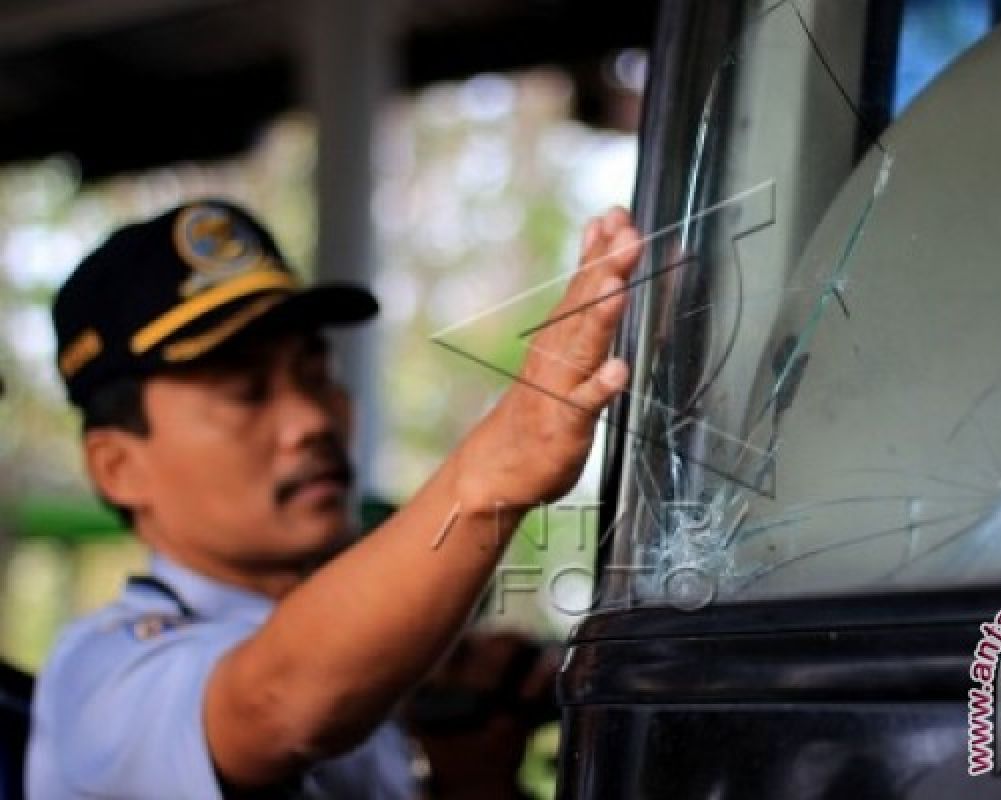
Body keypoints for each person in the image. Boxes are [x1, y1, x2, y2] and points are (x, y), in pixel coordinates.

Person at [25, 198, 641, 798]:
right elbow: (273, 703)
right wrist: (490, 477)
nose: (311, 420)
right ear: (118, 467)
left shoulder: (379, 671)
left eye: (316, 374)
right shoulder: (99, 674)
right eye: (246, 391)